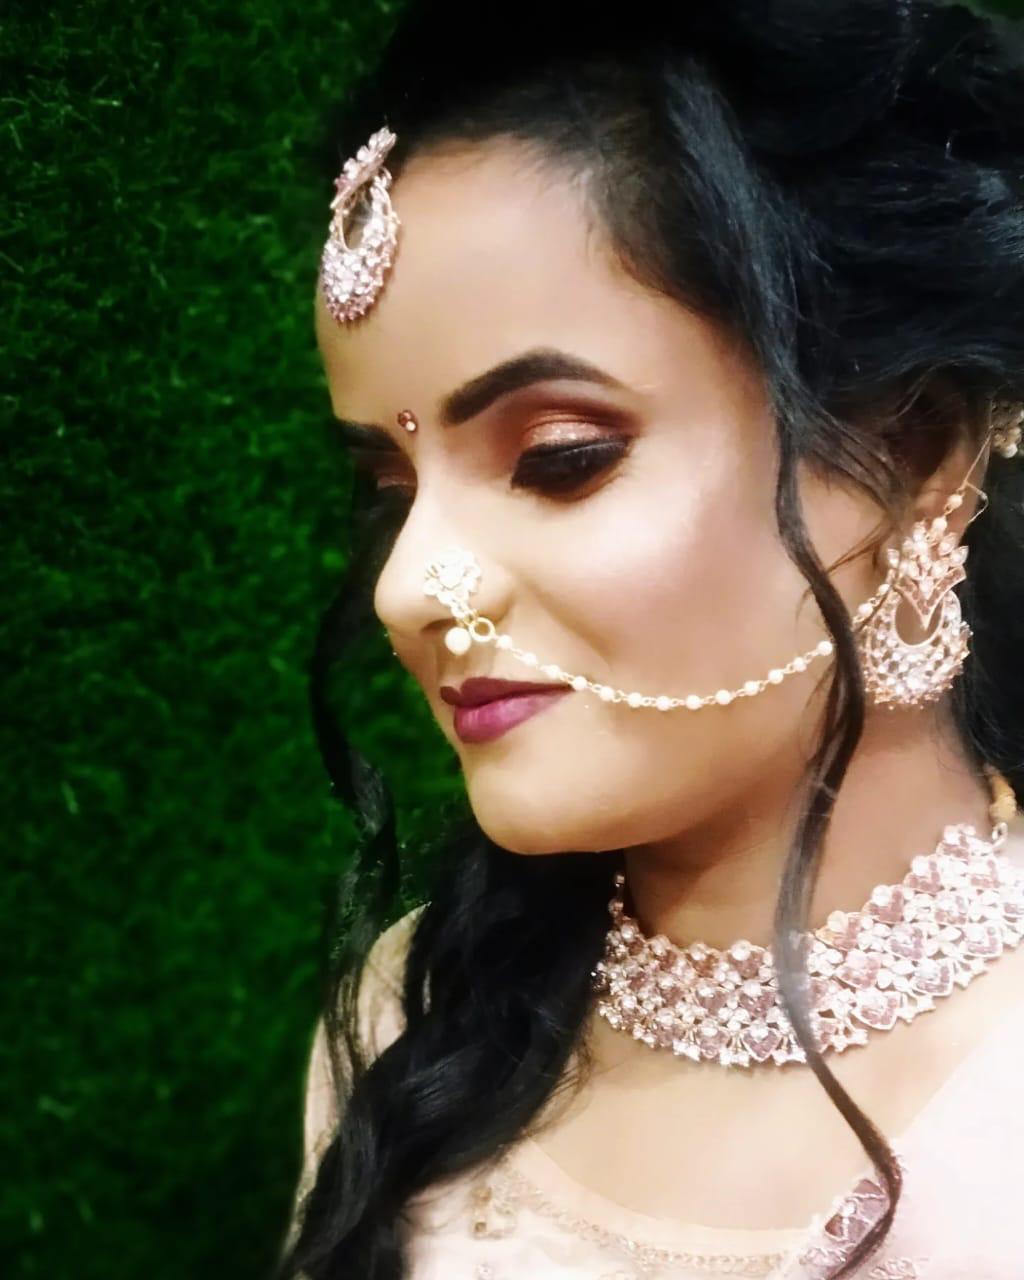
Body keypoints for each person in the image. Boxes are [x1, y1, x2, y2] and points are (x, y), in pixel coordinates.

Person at [276, 2, 1024, 1276]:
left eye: (558, 458)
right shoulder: (418, 1016)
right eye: (389, 491)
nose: (406, 588)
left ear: (914, 453)